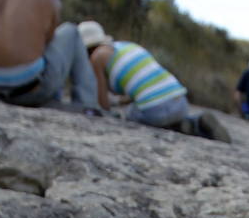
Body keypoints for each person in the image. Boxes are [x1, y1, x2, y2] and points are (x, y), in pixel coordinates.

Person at [78, 21, 229, 141]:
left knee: (131, 114)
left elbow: (102, 100)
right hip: (181, 102)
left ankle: (179, 126)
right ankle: (193, 124)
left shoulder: (97, 57)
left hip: (156, 110)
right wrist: (119, 101)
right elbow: (142, 87)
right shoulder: (127, 46)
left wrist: (107, 113)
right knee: (152, 108)